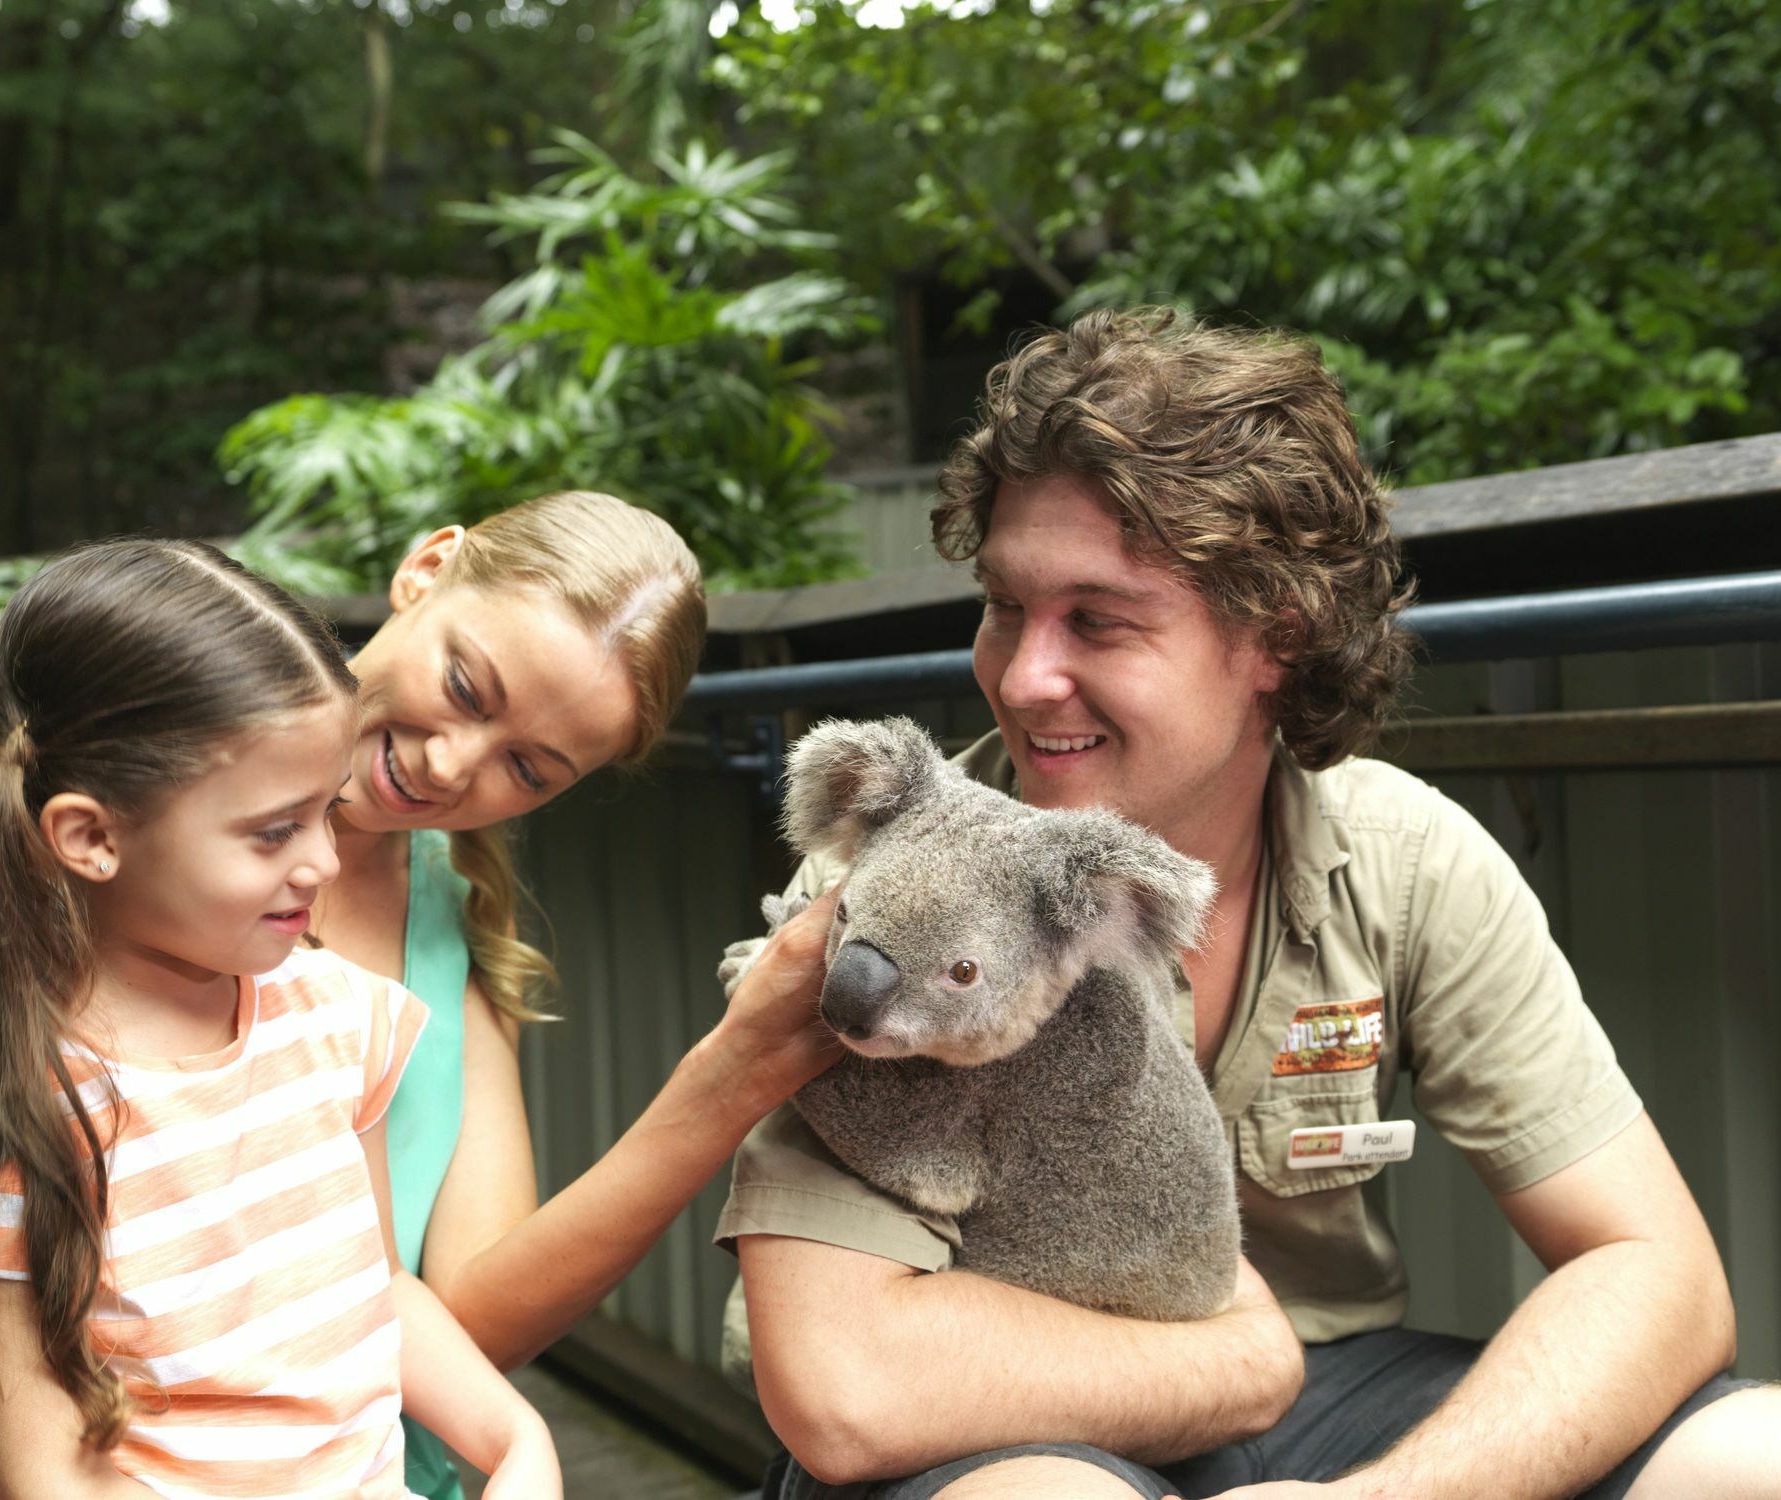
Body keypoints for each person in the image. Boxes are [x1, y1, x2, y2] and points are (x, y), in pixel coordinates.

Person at [717, 310, 1779, 1499]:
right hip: (1000, 1421)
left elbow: (1658, 1275)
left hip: (1340, 1407)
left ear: (1274, 636)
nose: (1020, 676)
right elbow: (846, 1393)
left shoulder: (1404, 859)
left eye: (1098, 620)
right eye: (1004, 605)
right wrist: (1236, 1366)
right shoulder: (887, 897)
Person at [0, 491, 834, 1500]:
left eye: (530, 769)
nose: (447, 764)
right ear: (425, 571)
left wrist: (721, 1087)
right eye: (466, 688)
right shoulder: (82, 739)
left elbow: (416, 1309)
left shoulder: (429, 942)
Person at [0, 539, 561, 1498]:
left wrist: (515, 1441)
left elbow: (371, 1286)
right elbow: (53, 1478)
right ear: (92, 836)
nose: (324, 864)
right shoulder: (23, 1116)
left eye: (324, 812)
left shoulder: (337, 1017)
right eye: (273, 832)